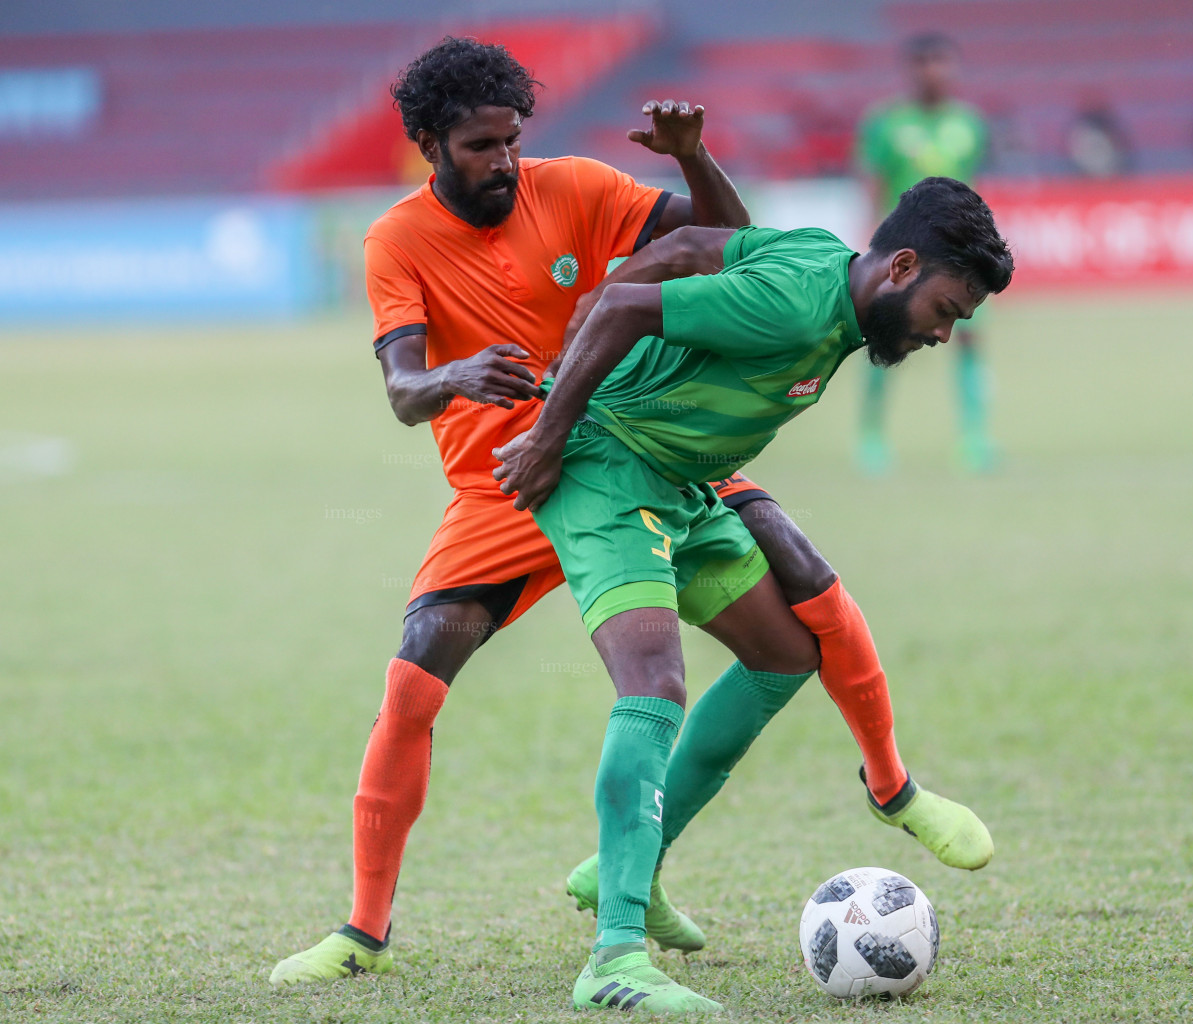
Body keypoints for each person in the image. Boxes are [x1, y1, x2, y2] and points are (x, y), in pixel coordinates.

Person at [270, 37, 986, 991]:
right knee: (414, 684)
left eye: (513, 139)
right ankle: (362, 931)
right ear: (430, 144)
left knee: (802, 595)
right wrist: (454, 373)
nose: (505, 161)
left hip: (644, 439)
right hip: (510, 477)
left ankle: (876, 791)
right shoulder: (397, 240)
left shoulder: (570, 186)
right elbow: (404, 390)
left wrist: (692, 155)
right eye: (482, 145)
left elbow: (720, 246)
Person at [494, 176, 1011, 1012]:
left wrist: (696, 163)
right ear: (901, 267)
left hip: (679, 480)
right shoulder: (799, 307)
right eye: (945, 309)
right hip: (607, 464)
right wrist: (551, 433)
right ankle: (615, 960)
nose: (945, 333)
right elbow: (628, 304)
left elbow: (693, 247)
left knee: (782, 654)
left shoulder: (825, 267)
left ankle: (630, 862)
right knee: (653, 681)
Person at [855, 33, 994, 475]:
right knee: (885, 337)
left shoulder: (970, 123)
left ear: (953, 67)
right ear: (910, 69)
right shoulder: (885, 123)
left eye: (941, 61)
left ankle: (975, 439)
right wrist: (869, 247)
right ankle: (871, 440)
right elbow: (873, 185)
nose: (933, 70)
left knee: (969, 339)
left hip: (959, 256)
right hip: (903, 257)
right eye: (924, 62)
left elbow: (973, 186)